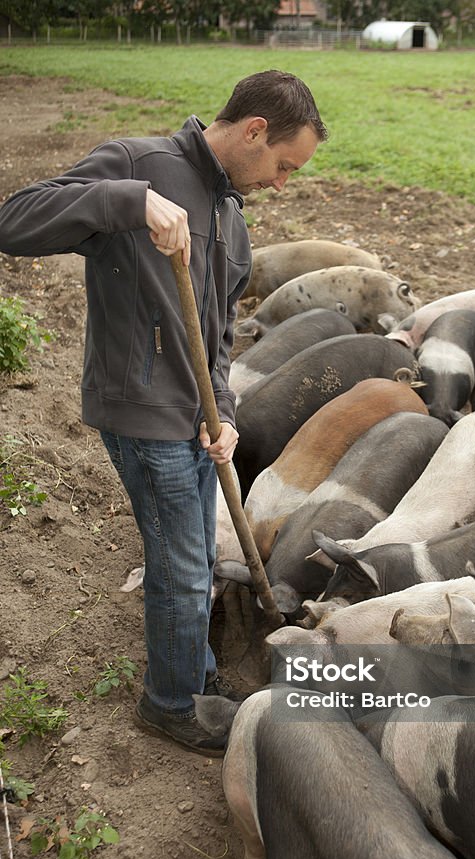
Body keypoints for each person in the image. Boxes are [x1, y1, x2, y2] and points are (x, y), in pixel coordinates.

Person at [0, 70, 327, 757]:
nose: (281, 183)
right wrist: (128, 203)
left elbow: (218, 338)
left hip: (198, 419)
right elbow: (14, 221)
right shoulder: (138, 165)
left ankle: (196, 676)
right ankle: (171, 704)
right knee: (181, 566)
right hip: (143, 411)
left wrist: (227, 413)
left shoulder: (231, 220)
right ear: (253, 130)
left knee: (194, 558)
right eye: (283, 165)